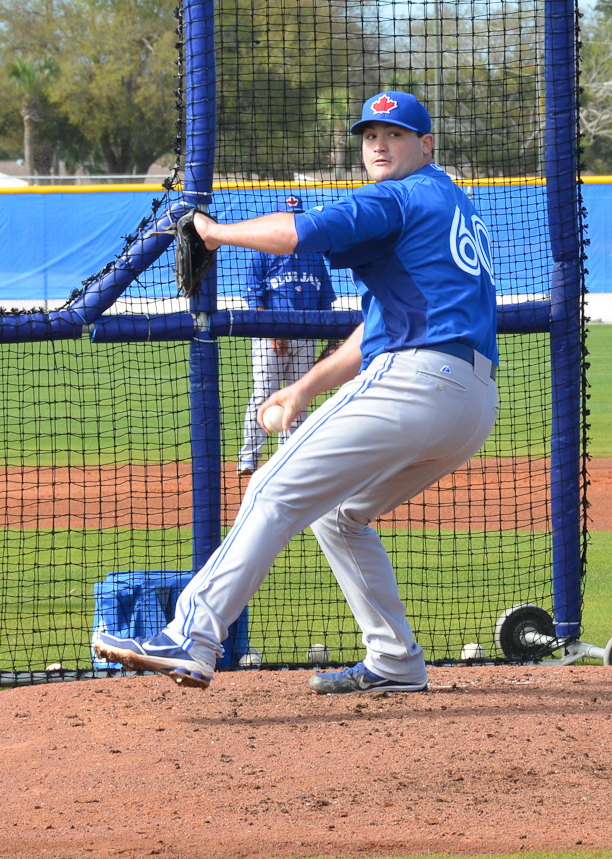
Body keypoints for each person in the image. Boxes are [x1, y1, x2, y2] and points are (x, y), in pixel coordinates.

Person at [94, 91, 498, 694]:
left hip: (419, 382)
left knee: (270, 487)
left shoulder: (397, 197)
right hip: (469, 401)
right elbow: (379, 331)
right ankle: (395, 661)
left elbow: (297, 233)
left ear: (426, 144)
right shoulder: (446, 199)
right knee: (339, 514)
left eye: (395, 133)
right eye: (369, 136)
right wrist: (303, 388)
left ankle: (192, 635)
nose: (379, 145)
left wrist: (214, 232)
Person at [236, 195, 334, 478]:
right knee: (264, 393)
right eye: (288, 214)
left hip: (306, 336)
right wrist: (270, 329)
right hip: (270, 336)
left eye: (297, 215)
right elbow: (254, 295)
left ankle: (288, 461)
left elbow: (325, 300)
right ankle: (249, 458)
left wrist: (328, 339)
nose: (293, 220)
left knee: (299, 396)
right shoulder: (264, 250)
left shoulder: (315, 254)